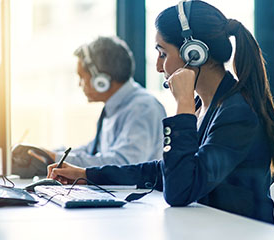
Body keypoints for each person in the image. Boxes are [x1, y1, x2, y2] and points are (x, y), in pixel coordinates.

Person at [47, 0, 274, 224]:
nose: (157, 66)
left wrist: (183, 104)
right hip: (210, 229)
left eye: (163, 53)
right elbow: (162, 170)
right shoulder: (204, 106)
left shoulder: (236, 113)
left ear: (193, 54)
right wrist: (87, 174)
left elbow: (180, 190)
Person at [17, 36, 166, 169]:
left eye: (82, 77)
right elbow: (92, 150)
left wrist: (57, 159)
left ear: (101, 80)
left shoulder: (143, 108)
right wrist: (50, 154)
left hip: (138, 198)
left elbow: (124, 164)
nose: (80, 84)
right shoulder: (115, 107)